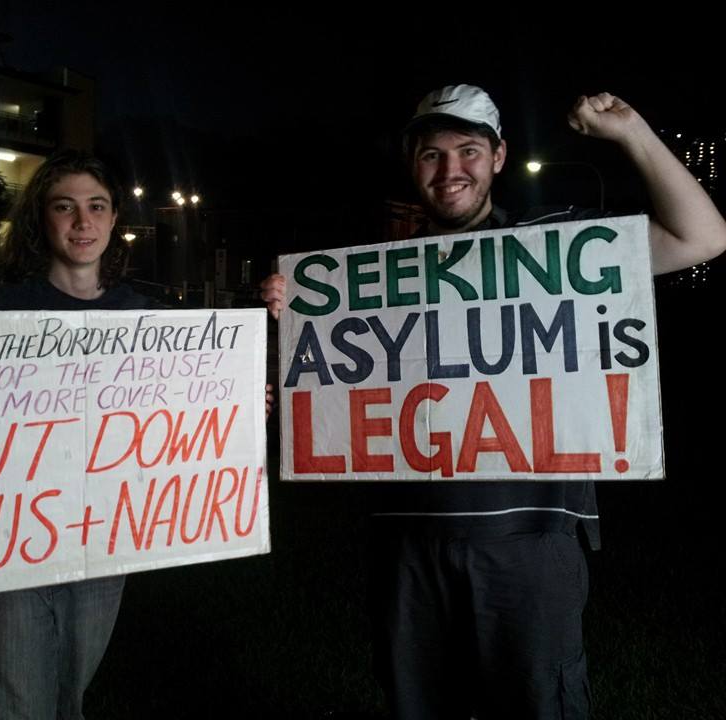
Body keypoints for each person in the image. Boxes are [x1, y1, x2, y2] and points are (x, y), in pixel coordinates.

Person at [260, 85, 726, 719]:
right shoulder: (373, 269)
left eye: (468, 151)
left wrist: (633, 132)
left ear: (499, 157)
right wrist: (295, 315)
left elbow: (701, 237)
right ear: (411, 163)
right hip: (410, 543)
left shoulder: (555, 245)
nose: (450, 171)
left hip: (530, 540)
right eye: (431, 155)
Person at [0, 150, 153, 719]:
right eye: (64, 207)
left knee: (71, 697)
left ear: (115, 218)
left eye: (96, 207)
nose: (82, 222)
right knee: (19, 700)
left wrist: (241, 403)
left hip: (104, 539)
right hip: (11, 540)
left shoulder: (144, 316)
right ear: (41, 219)